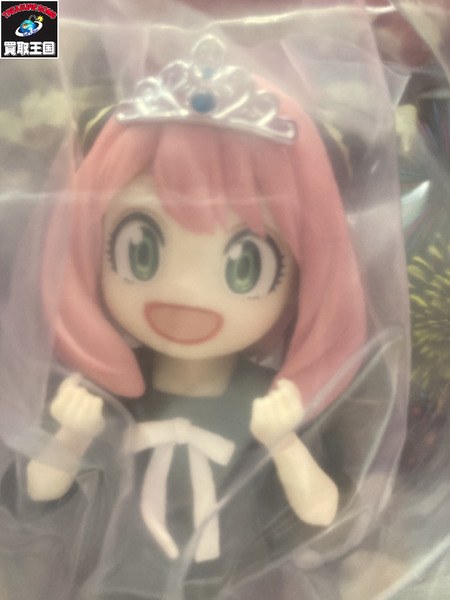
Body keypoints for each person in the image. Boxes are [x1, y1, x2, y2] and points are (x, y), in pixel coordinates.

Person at [26, 36, 366, 599]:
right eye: (140, 250)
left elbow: (323, 511)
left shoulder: (269, 403)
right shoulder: (107, 396)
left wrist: (284, 443)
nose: (185, 290)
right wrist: (70, 437)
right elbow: (39, 491)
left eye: (245, 265)